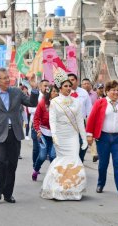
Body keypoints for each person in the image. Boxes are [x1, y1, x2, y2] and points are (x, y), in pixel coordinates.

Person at [0, 68, 39, 203]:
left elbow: (32, 103)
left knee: (12, 164)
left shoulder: (17, 92)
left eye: (8, 77)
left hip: (14, 133)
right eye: (4, 78)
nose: (8, 80)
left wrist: (34, 87)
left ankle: (8, 194)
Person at [40, 70, 87, 200]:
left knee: (74, 160)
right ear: (60, 88)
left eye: (69, 86)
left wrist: (84, 138)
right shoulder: (54, 102)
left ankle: (73, 190)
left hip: (72, 136)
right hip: (60, 135)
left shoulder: (77, 102)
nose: (68, 88)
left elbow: (80, 122)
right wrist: (54, 136)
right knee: (62, 160)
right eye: (65, 86)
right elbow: (52, 121)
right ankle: (58, 188)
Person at [86, 80, 118, 200]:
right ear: (107, 91)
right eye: (113, 90)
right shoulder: (100, 103)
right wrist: (89, 134)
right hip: (103, 138)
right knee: (103, 163)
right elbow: (92, 118)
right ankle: (100, 183)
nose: (116, 92)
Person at [32, 85, 59, 181]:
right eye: (54, 91)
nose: (56, 93)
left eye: (57, 91)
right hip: (43, 134)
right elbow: (36, 118)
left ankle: (53, 176)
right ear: (50, 92)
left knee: (52, 156)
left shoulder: (61, 104)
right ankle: (36, 170)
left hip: (55, 135)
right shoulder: (43, 103)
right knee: (42, 156)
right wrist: (38, 130)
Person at [68, 73, 92, 162]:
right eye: (69, 80)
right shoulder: (65, 92)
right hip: (68, 122)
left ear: (77, 81)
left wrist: (89, 128)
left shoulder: (83, 92)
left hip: (81, 122)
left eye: (72, 80)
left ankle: (80, 160)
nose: (71, 82)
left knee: (83, 144)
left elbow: (89, 110)